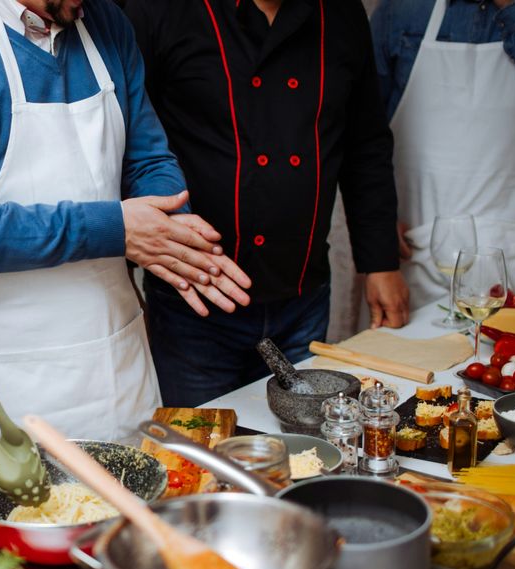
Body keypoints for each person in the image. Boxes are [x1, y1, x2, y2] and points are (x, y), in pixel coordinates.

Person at [0, 0, 251, 499]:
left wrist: (173, 233)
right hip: (7, 382)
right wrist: (117, 229)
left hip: (120, 365)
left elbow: (148, 160)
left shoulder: (105, 24)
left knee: (137, 545)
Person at [123, 0, 410, 408]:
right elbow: (126, 143)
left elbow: (365, 143)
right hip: (195, 306)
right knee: (201, 458)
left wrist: (380, 261)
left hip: (303, 298)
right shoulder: (159, 12)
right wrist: (123, 277)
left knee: (302, 455)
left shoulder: (341, 15)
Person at [372, 0, 515, 307]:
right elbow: (364, 133)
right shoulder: (403, 8)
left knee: (508, 354)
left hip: (513, 248)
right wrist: (376, 226)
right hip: (416, 241)